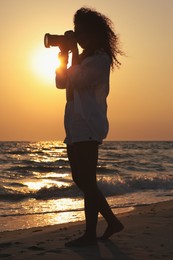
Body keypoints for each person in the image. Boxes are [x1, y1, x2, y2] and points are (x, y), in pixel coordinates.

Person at [55, 7, 124, 247]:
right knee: (80, 178)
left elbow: (80, 80)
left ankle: (91, 234)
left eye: (81, 31)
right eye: (76, 30)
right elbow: (61, 82)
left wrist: (73, 52)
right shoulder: (81, 58)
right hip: (73, 122)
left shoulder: (100, 59)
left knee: (87, 180)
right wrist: (64, 55)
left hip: (88, 123)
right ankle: (111, 222)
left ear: (93, 32)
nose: (78, 35)